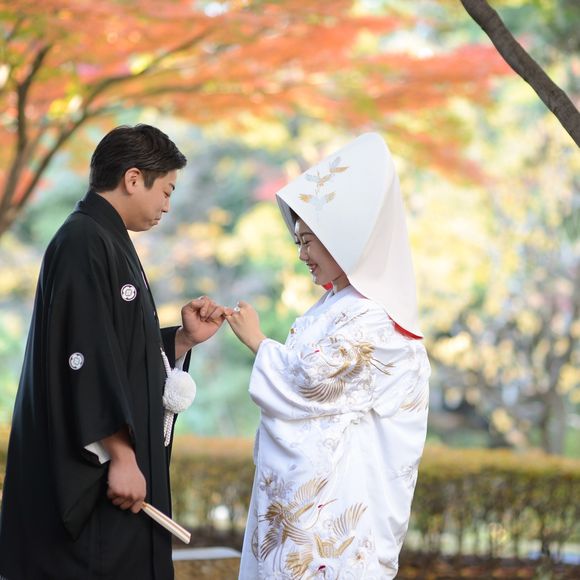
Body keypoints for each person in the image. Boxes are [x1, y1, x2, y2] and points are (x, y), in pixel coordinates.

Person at [0, 124, 228, 579]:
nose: (168, 205)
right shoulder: (83, 240)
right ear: (133, 178)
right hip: (96, 473)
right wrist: (121, 456)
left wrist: (181, 341)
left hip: (113, 468)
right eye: (166, 190)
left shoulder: (105, 239)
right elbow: (82, 356)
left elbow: (118, 348)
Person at [227, 133, 430, 579]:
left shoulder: (377, 319)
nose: (302, 255)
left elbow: (312, 384)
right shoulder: (334, 307)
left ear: (343, 241)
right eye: (298, 242)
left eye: (308, 241)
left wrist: (259, 342)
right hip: (312, 509)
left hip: (339, 509)